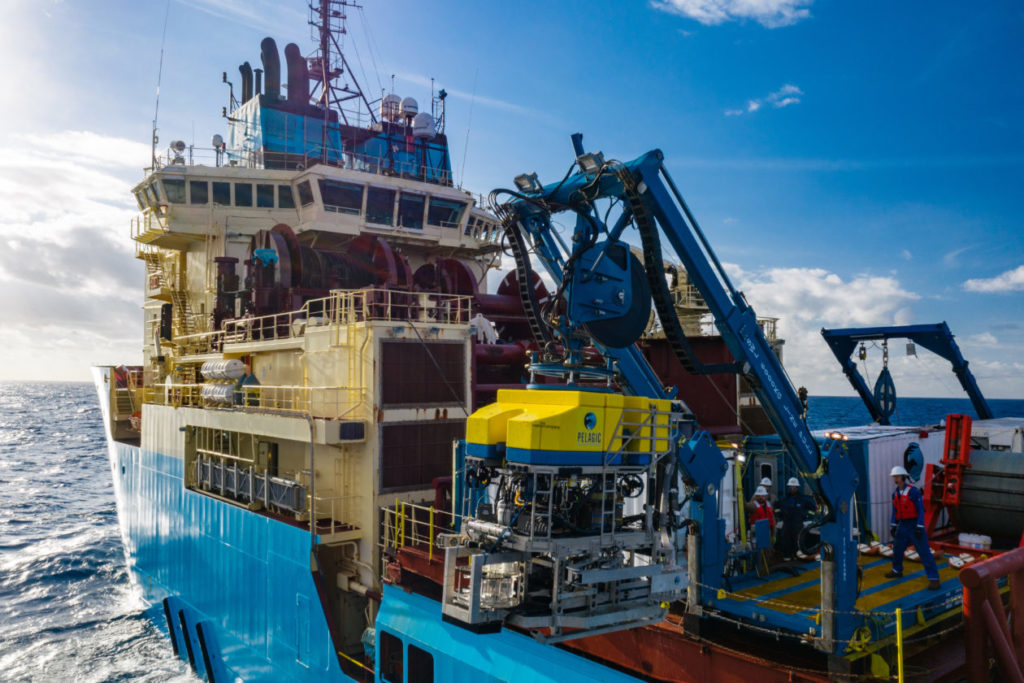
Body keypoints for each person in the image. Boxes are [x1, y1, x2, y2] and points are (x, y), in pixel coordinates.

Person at [887, 465, 941, 590]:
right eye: (893, 477)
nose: (895, 479)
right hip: (902, 525)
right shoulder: (895, 494)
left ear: (903, 477)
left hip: (914, 525)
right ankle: (897, 570)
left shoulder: (914, 492)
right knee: (897, 548)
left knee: (924, 552)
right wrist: (893, 525)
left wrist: (920, 526)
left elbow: (921, 510)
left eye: (897, 476)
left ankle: (934, 579)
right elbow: (894, 511)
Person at [776, 477, 811, 560]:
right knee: (786, 540)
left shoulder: (803, 500)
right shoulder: (784, 500)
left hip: (798, 524)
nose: (792, 489)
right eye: (790, 487)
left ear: (797, 488)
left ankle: (797, 556)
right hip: (787, 524)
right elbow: (776, 507)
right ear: (788, 487)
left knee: (798, 540)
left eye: (794, 487)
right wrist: (780, 514)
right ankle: (787, 556)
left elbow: (812, 509)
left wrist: (805, 515)